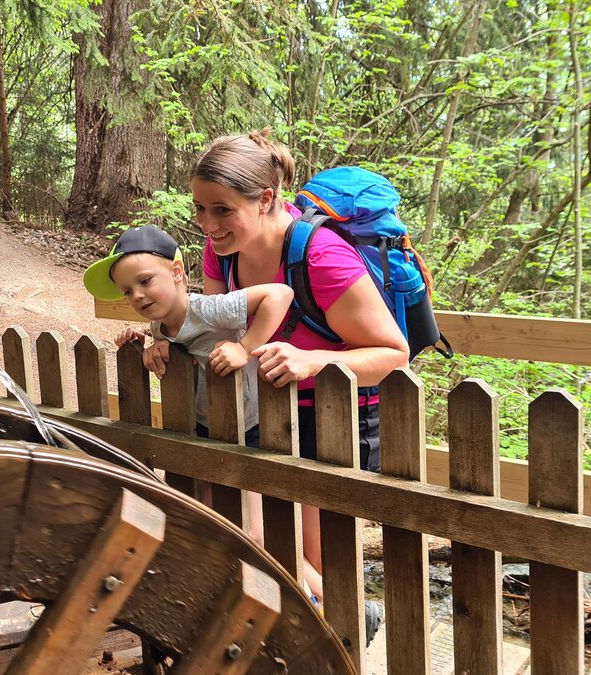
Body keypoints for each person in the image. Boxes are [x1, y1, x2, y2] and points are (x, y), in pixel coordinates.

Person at [143, 130, 408, 638]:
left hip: (330, 417)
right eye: (200, 209)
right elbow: (214, 329)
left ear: (265, 199)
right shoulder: (220, 253)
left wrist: (309, 360)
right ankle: (320, 637)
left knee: (316, 559)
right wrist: (162, 341)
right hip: (260, 415)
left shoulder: (321, 257)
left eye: (222, 210)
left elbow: (393, 355)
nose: (208, 224)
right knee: (264, 543)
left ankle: (345, 638)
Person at [82, 224, 293, 546]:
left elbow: (280, 294)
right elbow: (173, 344)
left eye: (145, 281)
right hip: (202, 427)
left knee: (254, 532)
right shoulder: (159, 322)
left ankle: (311, 597)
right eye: (127, 291)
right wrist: (145, 343)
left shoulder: (208, 308)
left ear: (177, 272)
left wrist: (245, 347)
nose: (136, 295)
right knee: (207, 516)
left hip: (249, 428)